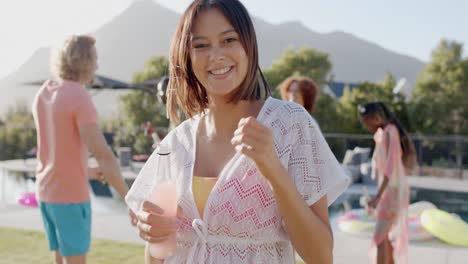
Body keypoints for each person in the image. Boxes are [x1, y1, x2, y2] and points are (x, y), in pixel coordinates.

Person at [125, 1, 349, 263]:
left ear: (248, 45)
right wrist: (153, 233)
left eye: (229, 39)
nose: (216, 55)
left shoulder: (290, 124)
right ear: (186, 56)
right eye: (200, 45)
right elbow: (158, 254)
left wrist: (275, 172)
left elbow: (321, 256)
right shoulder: (177, 144)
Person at [32, 35, 137, 264]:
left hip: (47, 194)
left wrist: (87, 171)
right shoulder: (78, 96)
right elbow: (103, 154)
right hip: (69, 198)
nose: (97, 65)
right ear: (84, 60)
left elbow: (55, 152)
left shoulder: (44, 92)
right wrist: (130, 198)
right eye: (95, 58)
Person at [358, 102, 417, 264]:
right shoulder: (383, 133)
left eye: (366, 121)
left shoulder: (391, 132)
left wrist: (378, 197)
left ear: (376, 117)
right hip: (390, 191)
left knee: (379, 237)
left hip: (392, 191)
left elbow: (390, 168)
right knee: (383, 237)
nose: (365, 125)